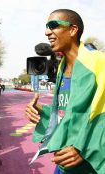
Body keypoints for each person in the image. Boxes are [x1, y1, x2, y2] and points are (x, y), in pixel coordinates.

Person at [26, 9, 105, 173]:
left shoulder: (99, 61)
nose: (47, 32)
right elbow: (71, 112)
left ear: (73, 30)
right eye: (47, 27)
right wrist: (42, 111)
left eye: (53, 26)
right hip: (64, 164)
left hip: (91, 166)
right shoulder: (62, 67)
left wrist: (86, 148)